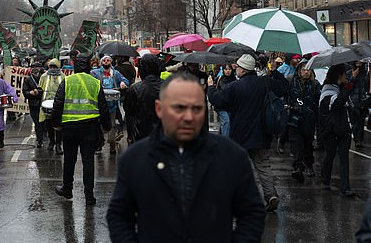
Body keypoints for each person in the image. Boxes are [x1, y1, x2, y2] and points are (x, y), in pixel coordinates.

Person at [107, 73, 266, 242]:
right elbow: (119, 216)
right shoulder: (135, 159)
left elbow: (252, 212)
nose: (189, 117)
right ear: (160, 109)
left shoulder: (231, 156)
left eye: (196, 108)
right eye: (179, 108)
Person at [207, 53, 287, 212]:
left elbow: (218, 100)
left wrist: (210, 87)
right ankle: (270, 195)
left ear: (243, 70)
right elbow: (284, 87)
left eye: (238, 67)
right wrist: (274, 71)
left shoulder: (235, 87)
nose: (236, 69)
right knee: (263, 166)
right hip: (263, 133)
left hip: (241, 135)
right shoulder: (265, 82)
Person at [51, 54, 111, 206]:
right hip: (90, 127)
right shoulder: (95, 83)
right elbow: (103, 107)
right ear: (90, 67)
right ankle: (89, 196)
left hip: (69, 127)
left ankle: (67, 189)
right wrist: (106, 126)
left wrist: (56, 124)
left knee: (70, 160)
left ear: (75, 66)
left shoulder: (68, 81)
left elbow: (58, 104)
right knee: (88, 161)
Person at [319, 63, 356, 197]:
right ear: (338, 75)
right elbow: (337, 103)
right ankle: (325, 180)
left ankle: (345, 188)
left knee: (344, 157)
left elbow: (347, 102)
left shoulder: (341, 87)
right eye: (344, 74)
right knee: (330, 154)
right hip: (330, 129)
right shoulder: (327, 89)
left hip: (344, 128)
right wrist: (351, 81)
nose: (346, 76)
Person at [287, 59, 321, 182]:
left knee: (307, 144)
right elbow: (284, 96)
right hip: (294, 119)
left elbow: (319, 101)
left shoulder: (315, 84)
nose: (306, 72)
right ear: (299, 71)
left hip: (308, 119)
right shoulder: (291, 81)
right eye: (304, 69)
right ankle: (297, 168)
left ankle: (309, 164)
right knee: (296, 145)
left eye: (308, 70)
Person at [90, 55, 128, 154]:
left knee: (112, 125)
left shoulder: (115, 73)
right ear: (101, 62)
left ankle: (112, 143)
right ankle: (100, 144)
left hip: (112, 105)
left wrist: (123, 83)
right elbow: (89, 81)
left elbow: (126, 80)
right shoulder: (95, 73)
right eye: (104, 60)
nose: (106, 62)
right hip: (100, 105)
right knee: (99, 125)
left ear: (111, 62)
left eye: (108, 60)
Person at [122, 54, 162, 142]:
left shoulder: (134, 89)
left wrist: (131, 136)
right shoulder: (170, 87)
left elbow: (129, 114)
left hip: (142, 136)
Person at [38, 58, 65, 154]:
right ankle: (51, 141)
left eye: (55, 67)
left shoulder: (63, 76)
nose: (53, 69)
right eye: (51, 66)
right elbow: (40, 88)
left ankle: (58, 144)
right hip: (46, 105)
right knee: (48, 125)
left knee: (59, 126)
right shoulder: (44, 76)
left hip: (59, 105)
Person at [348, 60, 369, 149]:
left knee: (361, 121)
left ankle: (359, 140)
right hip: (353, 101)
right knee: (355, 121)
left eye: (361, 63)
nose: (359, 65)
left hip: (363, 101)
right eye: (357, 63)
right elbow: (347, 87)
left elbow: (367, 87)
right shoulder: (349, 73)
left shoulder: (365, 74)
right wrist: (353, 76)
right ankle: (356, 137)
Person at [22, 63, 44, 147]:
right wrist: (30, 93)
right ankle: (40, 139)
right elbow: (25, 91)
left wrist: (39, 91)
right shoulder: (28, 79)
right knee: (37, 122)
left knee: (43, 123)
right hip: (33, 104)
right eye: (34, 67)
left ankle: (44, 137)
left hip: (43, 103)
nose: (35, 69)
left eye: (37, 67)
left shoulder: (44, 77)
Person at [214, 64, 236, 137]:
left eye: (229, 69)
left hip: (230, 106)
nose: (228, 71)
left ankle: (220, 139)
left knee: (225, 123)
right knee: (226, 121)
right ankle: (225, 143)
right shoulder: (219, 79)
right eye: (226, 69)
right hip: (221, 105)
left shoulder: (235, 80)